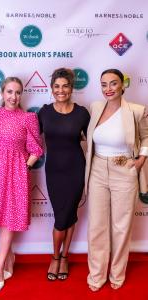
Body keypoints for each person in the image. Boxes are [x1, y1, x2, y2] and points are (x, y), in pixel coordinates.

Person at [85, 69, 148, 291]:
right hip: (98, 169)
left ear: (123, 85)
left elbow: (147, 135)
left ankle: (117, 274)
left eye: (113, 84)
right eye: (104, 84)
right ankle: (97, 274)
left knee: (121, 226)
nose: (108, 89)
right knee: (97, 226)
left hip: (125, 169)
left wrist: (141, 160)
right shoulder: (95, 107)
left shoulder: (136, 111)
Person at [0, 77, 43, 292]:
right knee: (2, 216)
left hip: (17, 173)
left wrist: (24, 168)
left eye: (18, 92)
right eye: (9, 92)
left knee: (10, 218)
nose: (13, 96)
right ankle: (9, 256)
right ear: (2, 93)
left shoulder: (28, 118)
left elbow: (36, 150)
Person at [38, 68, 90, 281]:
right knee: (62, 217)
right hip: (54, 172)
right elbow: (31, 139)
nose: (61, 90)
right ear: (51, 89)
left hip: (76, 169)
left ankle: (63, 257)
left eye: (65, 86)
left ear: (71, 88)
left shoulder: (82, 113)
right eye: (57, 86)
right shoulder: (44, 112)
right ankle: (55, 256)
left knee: (69, 215)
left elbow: (95, 140)